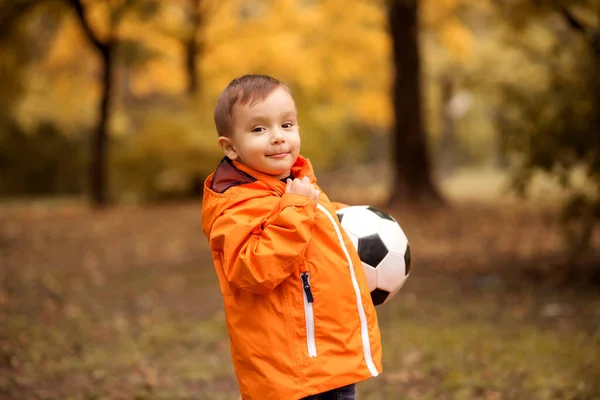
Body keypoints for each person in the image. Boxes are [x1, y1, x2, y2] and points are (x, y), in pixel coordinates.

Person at [201, 74, 382, 400]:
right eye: (259, 129)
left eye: (287, 125)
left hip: (326, 357)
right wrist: (298, 208)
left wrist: (338, 218)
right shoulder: (236, 205)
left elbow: (307, 232)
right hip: (294, 372)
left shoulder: (292, 185)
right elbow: (252, 268)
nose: (277, 137)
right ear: (230, 147)